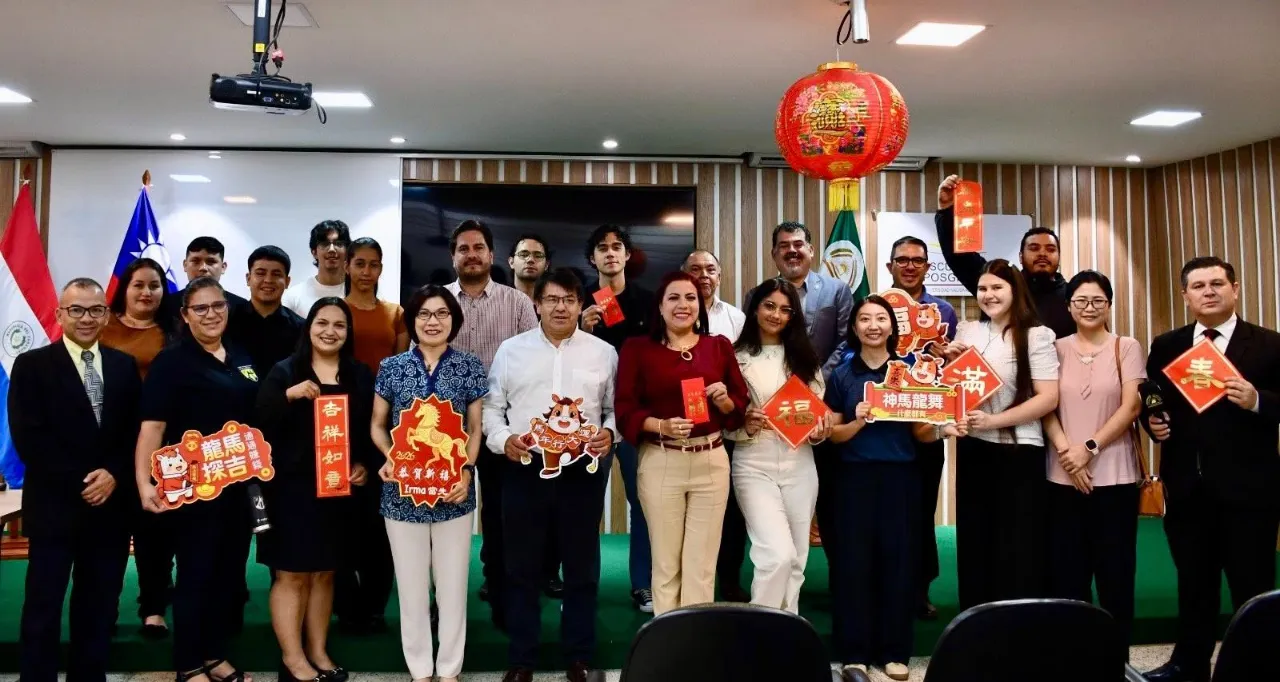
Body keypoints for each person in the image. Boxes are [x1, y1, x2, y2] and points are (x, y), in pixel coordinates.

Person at [1143, 257, 1280, 682]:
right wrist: (1152, 422)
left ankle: (1256, 669)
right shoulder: (1168, 345)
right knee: (1193, 584)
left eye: (1217, 283)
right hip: (1188, 488)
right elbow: (1152, 396)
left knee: (1251, 587)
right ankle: (1188, 665)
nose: (1208, 292)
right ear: (1185, 296)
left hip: (1249, 491)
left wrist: (1258, 400)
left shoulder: (1270, 344)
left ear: (1235, 289)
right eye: (1198, 286)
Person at [483, 268, 618, 682]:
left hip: (580, 473)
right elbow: (492, 409)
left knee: (581, 567)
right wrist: (503, 439)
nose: (561, 307)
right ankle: (521, 659)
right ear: (537, 304)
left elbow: (613, 410)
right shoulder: (511, 350)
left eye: (570, 300)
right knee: (521, 567)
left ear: (581, 305)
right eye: (553, 299)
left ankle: (578, 656)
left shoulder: (603, 353)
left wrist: (610, 432)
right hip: (525, 468)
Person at [824, 295, 964, 682]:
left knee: (898, 564)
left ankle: (895, 652)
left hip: (901, 479)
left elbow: (920, 431)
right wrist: (857, 422)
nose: (873, 326)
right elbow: (833, 434)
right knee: (853, 565)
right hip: (853, 480)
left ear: (892, 327)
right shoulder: (842, 374)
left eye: (880, 319)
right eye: (864, 319)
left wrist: (943, 428)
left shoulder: (910, 371)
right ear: (854, 328)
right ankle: (854, 653)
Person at [821, 236, 960, 618]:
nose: (910, 266)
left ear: (928, 266)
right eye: (903, 260)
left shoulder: (944, 311)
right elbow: (848, 358)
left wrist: (944, 361)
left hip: (919, 428)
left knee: (918, 514)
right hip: (866, 439)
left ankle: (917, 589)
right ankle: (856, 591)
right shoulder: (876, 307)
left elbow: (948, 376)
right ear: (890, 266)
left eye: (918, 260)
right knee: (858, 523)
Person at [11, 278, 142, 682]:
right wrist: (85, 482)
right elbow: (29, 438)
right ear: (60, 315)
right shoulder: (32, 365)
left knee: (98, 606)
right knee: (43, 606)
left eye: (95, 310)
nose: (86, 318)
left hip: (110, 510)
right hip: (55, 508)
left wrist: (114, 474)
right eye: (77, 310)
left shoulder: (122, 365)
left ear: (106, 315)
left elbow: (135, 433)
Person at [134, 277, 260, 682]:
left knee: (229, 575)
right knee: (196, 575)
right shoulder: (172, 362)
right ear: (185, 316)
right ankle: (188, 664)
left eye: (218, 306)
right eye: (200, 308)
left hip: (240, 487)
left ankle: (214, 655)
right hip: (193, 490)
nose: (211, 315)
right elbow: (152, 428)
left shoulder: (240, 355)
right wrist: (144, 483)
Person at [256, 298, 378, 682]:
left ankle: (319, 653)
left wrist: (363, 466)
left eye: (339, 325)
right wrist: (288, 396)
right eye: (322, 322)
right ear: (308, 327)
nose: (330, 331)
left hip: (339, 492)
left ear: (348, 332)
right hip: (289, 492)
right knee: (292, 574)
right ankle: (293, 660)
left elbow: (372, 430)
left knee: (326, 572)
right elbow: (257, 423)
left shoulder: (359, 374)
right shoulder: (285, 371)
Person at [615, 271, 749, 615]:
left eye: (690, 298)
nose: (683, 305)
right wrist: (660, 426)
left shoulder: (718, 346)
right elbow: (624, 411)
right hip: (662, 461)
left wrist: (724, 401)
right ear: (659, 307)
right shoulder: (637, 349)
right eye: (673, 297)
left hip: (711, 461)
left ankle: (696, 642)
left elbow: (739, 410)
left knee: (701, 565)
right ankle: (667, 639)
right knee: (666, 562)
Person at [372, 284, 487, 682]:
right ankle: (420, 669)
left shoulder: (469, 366)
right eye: (423, 314)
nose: (432, 321)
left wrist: (467, 471)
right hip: (402, 492)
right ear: (412, 320)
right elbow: (377, 424)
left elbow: (475, 428)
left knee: (452, 585)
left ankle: (449, 669)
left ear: (454, 320)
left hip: (454, 492)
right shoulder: (392, 367)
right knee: (411, 587)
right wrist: (391, 456)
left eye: (441, 314)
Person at [443, 219, 539, 628]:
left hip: (503, 427)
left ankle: (503, 598)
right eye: (463, 249)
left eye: (478, 248)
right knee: (445, 515)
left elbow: (534, 361)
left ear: (492, 255)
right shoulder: (437, 302)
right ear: (453, 257)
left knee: (504, 517)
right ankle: (445, 604)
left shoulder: (517, 303)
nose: (471, 255)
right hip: (446, 430)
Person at [948, 260, 1060, 609]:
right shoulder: (967, 331)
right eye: (982, 288)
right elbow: (954, 390)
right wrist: (948, 361)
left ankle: (1017, 623)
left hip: (1019, 450)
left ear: (1015, 291)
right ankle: (975, 620)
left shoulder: (1036, 335)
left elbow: (1048, 398)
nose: (989, 295)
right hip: (973, 448)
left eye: (997, 288)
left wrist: (994, 421)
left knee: (1017, 543)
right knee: (975, 538)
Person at [1042, 271, 1145, 645]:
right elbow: (1045, 405)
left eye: (1098, 300)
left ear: (1109, 305)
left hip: (1116, 477)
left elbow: (1131, 406)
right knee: (1068, 576)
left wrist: (1088, 449)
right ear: (1069, 307)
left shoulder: (1126, 347)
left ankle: (1116, 659)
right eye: (1081, 301)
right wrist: (1068, 455)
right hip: (1062, 477)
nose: (1089, 307)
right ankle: (1073, 657)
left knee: (1116, 575)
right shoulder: (1053, 348)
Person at [748, 222, 854, 562]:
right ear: (774, 254)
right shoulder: (758, 294)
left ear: (811, 250)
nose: (792, 251)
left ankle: (839, 576)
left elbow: (846, 340)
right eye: (784, 245)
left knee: (829, 495)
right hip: (770, 412)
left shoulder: (837, 290)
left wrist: (812, 382)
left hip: (824, 404)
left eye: (798, 244)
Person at [726, 278, 830, 612]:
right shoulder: (733, 357)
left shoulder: (805, 359)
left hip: (800, 461)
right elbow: (723, 419)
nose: (776, 315)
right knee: (776, 555)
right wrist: (742, 424)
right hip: (753, 460)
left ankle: (788, 629)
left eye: (785, 310)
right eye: (769, 306)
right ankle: (762, 629)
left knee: (797, 558)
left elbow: (818, 413)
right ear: (755, 309)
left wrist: (819, 431)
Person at [582, 224, 656, 613]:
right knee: (584, 506)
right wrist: (580, 330)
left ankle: (644, 584)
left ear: (628, 255)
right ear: (592, 257)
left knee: (643, 502)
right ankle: (582, 586)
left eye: (617, 247)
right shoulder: (577, 302)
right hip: (588, 419)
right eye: (602, 248)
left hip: (635, 416)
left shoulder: (649, 301)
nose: (610, 253)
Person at [102, 258, 177, 638]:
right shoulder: (102, 326)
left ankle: (153, 609)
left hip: (161, 447)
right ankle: (104, 610)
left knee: (155, 534)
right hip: (111, 444)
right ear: (125, 289)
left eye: (154, 285)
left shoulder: (174, 330)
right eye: (139, 285)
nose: (147, 292)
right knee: (109, 536)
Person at [336, 237, 404, 632]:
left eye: (373, 264)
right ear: (347, 266)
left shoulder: (395, 313)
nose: (366, 272)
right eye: (359, 263)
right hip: (338, 421)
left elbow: (401, 368)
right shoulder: (334, 311)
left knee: (380, 519)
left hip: (384, 427)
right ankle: (345, 605)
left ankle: (375, 605)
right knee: (341, 519)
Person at [683, 249, 750, 601]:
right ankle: (689, 581)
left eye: (710, 269)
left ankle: (729, 578)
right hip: (686, 429)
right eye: (695, 269)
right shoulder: (673, 315)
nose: (703, 275)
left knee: (731, 512)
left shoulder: (736, 319)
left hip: (728, 428)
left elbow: (745, 371)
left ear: (720, 277)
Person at [935, 175, 1074, 338]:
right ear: (1021, 257)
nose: (1042, 253)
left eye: (1050, 249)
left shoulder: (1073, 295)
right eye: (1034, 248)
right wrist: (946, 210)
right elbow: (960, 258)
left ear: (1059, 256)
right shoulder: (1000, 283)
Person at [227, 246, 305, 380]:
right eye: (260, 273)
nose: (268, 280)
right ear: (248, 278)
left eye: (276, 274)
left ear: (287, 282)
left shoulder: (301, 328)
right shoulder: (228, 321)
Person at [159, 237, 250, 331]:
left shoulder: (241, 307)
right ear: (185, 265)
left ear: (223, 267)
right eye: (196, 261)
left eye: (211, 262)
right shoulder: (166, 305)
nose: (203, 268)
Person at [283, 220, 351, 317]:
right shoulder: (293, 297)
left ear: (347, 251)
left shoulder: (360, 293)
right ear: (314, 252)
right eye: (325, 244)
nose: (332, 249)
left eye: (338, 244)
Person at [508, 234, 551, 301]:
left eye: (538, 256)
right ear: (511, 262)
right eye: (523, 254)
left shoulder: (552, 302)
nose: (530, 260)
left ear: (546, 265)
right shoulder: (498, 300)